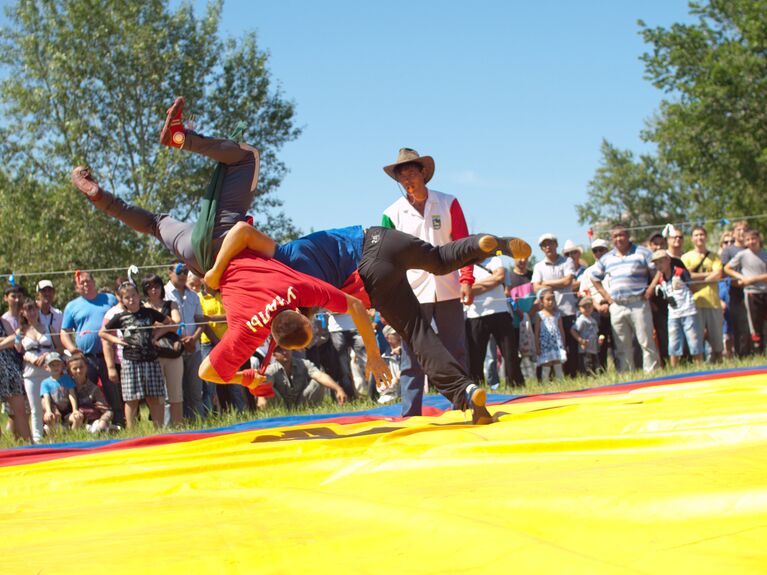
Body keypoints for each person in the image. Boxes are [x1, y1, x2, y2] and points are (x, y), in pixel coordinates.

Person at [200, 226, 529, 424]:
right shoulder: (288, 270)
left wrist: (373, 354)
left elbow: (353, 307)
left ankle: (465, 393)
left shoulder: (299, 284)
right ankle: (484, 244)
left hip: (370, 272)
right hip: (380, 237)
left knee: (416, 333)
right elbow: (245, 236)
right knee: (440, 259)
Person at [71, 96, 259, 279]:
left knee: (248, 155)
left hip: (209, 241)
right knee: (155, 224)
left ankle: (100, 197)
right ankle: (100, 197)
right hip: (209, 258)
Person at [380, 148, 477, 417]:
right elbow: (385, 261)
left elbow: (464, 245)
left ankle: (465, 405)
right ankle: (410, 413)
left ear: (423, 173)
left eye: (412, 173)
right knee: (412, 354)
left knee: (456, 350)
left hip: (448, 286)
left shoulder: (449, 203)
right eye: (402, 177)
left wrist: (467, 279)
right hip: (410, 293)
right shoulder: (391, 213)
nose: (408, 181)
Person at [99, 282, 174, 429]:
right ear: (122, 300)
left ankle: (158, 429)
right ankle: (132, 430)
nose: (131, 299)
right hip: (130, 360)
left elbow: (169, 323)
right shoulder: (120, 317)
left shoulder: (149, 312)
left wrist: (156, 335)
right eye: (127, 297)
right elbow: (102, 333)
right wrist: (117, 340)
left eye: (134, 295)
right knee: (131, 398)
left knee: (154, 397)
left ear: (139, 295)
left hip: (151, 359)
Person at [590, 224, 659, 372]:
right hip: (617, 304)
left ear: (628, 236)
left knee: (646, 340)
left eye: (621, 235)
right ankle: (626, 374)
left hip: (638, 302)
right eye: (615, 236)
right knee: (621, 343)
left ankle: (652, 372)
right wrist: (607, 297)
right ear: (612, 239)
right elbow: (594, 277)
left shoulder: (642, 252)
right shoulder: (607, 258)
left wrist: (651, 289)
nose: (618, 239)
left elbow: (658, 271)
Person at [59, 271, 124, 426]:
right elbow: (64, 332)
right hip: (86, 358)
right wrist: (73, 349)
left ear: (94, 282)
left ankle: (120, 424)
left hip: (109, 355)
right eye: (82, 283)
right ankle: (89, 425)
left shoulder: (109, 299)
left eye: (88, 281)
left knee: (114, 391)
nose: (86, 284)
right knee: (85, 394)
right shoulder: (72, 306)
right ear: (77, 287)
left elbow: (122, 314)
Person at [464, 254, 523, 388]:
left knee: (510, 353)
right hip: (475, 315)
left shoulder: (495, 260)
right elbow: (464, 289)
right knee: (476, 357)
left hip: (501, 312)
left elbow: (500, 277)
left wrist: (473, 286)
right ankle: (477, 387)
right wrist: (492, 281)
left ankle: (515, 384)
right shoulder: (465, 267)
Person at [532, 233, 579, 377]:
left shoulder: (567, 261)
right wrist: (556, 283)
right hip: (548, 314)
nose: (548, 247)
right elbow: (535, 288)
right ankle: (550, 378)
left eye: (550, 243)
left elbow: (567, 282)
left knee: (570, 345)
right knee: (548, 345)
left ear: (556, 245)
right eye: (544, 244)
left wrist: (545, 284)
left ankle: (573, 375)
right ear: (541, 248)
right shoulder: (538, 266)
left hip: (567, 310)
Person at [142, 274, 184, 426]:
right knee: (156, 394)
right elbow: (145, 329)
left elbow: (178, 324)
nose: (154, 290)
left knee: (175, 393)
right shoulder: (143, 308)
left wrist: (158, 330)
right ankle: (158, 428)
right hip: (153, 355)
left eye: (157, 286)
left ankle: (179, 426)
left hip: (173, 353)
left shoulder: (171, 304)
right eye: (150, 287)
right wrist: (168, 325)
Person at [164, 264, 205, 419]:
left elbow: (201, 321)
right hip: (172, 348)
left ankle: (200, 424)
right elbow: (162, 322)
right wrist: (181, 339)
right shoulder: (164, 294)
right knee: (173, 393)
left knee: (196, 391)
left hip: (194, 347)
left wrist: (193, 339)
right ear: (170, 273)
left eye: (185, 272)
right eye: (179, 271)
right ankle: (173, 428)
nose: (182, 275)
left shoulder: (194, 295)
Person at [649, 250, 704, 366]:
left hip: (688, 311)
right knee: (673, 340)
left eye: (660, 262)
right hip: (673, 313)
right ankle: (674, 366)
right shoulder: (660, 278)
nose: (659, 266)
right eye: (656, 264)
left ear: (668, 260)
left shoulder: (680, 272)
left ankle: (699, 364)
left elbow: (692, 287)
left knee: (693, 339)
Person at [681, 225, 724, 362]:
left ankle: (718, 364)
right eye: (696, 235)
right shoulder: (686, 257)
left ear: (706, 237)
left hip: (713, 302)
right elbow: (686, 276)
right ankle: (699, 367)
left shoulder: (714, 256)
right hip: (694, 302)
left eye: (701, 234)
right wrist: (708, 276)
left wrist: (698, 277)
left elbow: (718, 274)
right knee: (696, 338)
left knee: (717, 338)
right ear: (692, 238)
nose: (699, 237)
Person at [262, 346, 347, 409]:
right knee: (266, 388)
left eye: (287, 348)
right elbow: (265, 385)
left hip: (302, 403)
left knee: (318, 381)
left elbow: (320, 375)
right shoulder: (270, 369)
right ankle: (278, 412)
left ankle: (310, 409)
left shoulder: (304, 363)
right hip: (281, 406)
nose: (284, 352)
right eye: (280, 350)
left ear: (291, 350)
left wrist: (338, 389)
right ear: (274, 354)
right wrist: (261, 398)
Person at [724, 229, 767, 353]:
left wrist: (753, 278)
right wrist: (741, 277)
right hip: (751, 293)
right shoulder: (742, 255)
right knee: (755, 324)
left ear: (759, 239)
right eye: (748, 239)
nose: (751, 242)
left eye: (753, 238)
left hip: (765, 291)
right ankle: (758, 351)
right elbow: (727, 268)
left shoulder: (764, 254)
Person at [19, 298, 55, 442]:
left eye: (33, 308)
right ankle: (37, 438)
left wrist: (47, 354)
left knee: (50, 406)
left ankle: (54, 435)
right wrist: (30, 358)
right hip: (30, 374)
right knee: (35, 409)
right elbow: (18, 351)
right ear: (23, 312)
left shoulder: (48, 328)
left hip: (48, 371)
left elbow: (58, 347)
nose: (31, 312)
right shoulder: (20, 331)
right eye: (28, 309)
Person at [579, 239, 612, 370]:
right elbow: (584, 293)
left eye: (601, 250)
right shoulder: (588, 272)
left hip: (614, 306)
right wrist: (597, 306)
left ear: (607, 251)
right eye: (595, 250)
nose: (598, 253)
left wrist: (609, 304)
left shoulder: (613, 267)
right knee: (599, 343)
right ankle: (601, 369)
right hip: (595, 310)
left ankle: (622, 368)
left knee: (618, 340)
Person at [721, 220, 752, 357]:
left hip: (754, 291)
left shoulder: (752, 248)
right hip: (736, 292)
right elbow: (724, 271)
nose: (741, 232)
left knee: (754, 325)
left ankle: (756, 352)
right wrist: (740, 280)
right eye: (738, 229)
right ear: (734, 233)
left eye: (744, 229)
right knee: (740, 326)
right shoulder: (728, 250)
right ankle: (742, 355)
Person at [0, 314, 32, 442]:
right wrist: (5, 341)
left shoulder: (3, 322)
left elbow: (15, 339)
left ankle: (30, 444)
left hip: (9, 371)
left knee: (20, 410)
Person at [67, 351, 113, 433]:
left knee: (99, 426)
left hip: (92, 420)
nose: (78, 371)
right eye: (75, 368)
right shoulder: (65, 387)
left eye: (81, 367)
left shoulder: (94, 389)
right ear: (69, 371)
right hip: (69, 420)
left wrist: (103, 421)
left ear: (86, 367)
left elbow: (107, 410)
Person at [40, 352, 82, 431]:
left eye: (58, 364)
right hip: (55, 411)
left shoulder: (67, 379)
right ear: (46, 367)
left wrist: (75, 410)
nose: (56, 367)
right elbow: (46, 397)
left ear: (62, 366)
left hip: (67, 411)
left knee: (78, 417)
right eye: (52, 365)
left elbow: (72, 394)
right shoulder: (45, 383)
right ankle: (54, 436)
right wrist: (48, 411)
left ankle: (72, 435)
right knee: (49, 418)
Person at [534, 288, 566, 381]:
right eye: (548, 300)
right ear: (542, 301)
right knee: (546, 363)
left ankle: (561, 381)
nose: (550, 302)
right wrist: (537, 346)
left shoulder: (557, 314)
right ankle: (545, 383)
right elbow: (536, 332)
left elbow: (561, 330)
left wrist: (563, 344)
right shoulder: (539, 315)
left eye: (552, 299)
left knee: (557, 362)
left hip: (556, 343)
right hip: (545, 343)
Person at [570, 296, 600, 375]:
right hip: (585, 349)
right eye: (584, 307)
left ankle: (594, 376)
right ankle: (587, 378)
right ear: (580, 308)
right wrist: (580, 340)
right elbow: (573, 330)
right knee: (586, 365)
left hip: (593, 347)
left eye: (589, 306)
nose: (587, 309)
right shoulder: (581, 319)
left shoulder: (593, 320)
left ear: (592, 308)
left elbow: (595, 333)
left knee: (594, 364)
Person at [35, 280, 64, 353]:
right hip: (36, 353)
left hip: (55, 355)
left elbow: (63, 337)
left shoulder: (58, 314)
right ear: (38, 294)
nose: (47, 293)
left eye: (50, 291)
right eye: (44, 291)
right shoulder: (32, 312)